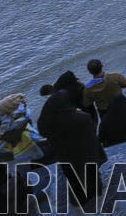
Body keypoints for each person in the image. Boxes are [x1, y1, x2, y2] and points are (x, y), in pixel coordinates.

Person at [37, 76, 107, 210]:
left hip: (67, 156)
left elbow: (45, 132)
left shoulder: (49, 122)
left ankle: (79, 200)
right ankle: (96, 192)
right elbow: (91, 137)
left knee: (74, 177)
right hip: (85, 153)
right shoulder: (81, 117)